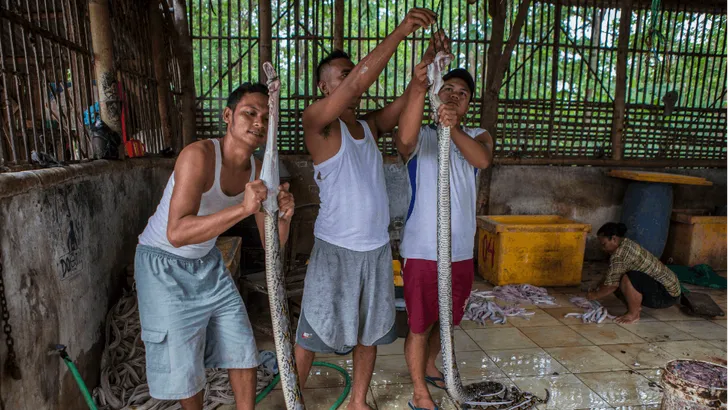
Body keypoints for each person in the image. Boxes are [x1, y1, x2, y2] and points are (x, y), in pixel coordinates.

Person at [294, 8, 437, 410]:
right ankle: (293, 399)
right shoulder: (317, 122)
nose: (353, 75)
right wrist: (401, 30)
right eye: (342, 74)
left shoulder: (368, 127)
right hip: (335, 249)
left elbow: (409, 98)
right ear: (324, 87)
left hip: (375, 249)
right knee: (311, 331)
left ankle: (357, 401)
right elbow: (361, 80)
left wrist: (422, 69)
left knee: (369, 333)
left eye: (351, 71)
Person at [134, 83, 295, 410]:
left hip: (206, 261)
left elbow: (272, 245)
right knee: (184, 366)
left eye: (266, 117)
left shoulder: (259, 172)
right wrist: (242, 209)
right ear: (228, 116)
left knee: (243, 350)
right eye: (250, 113)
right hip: (163, 264)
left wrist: (284, 217)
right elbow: (177, 232)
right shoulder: (199, 156)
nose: (259, 123)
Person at [396, 47, 494, 410]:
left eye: (463, 93)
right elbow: (402, 141)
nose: (454, 96)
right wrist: (430, 107)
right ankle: (419, 391)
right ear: (437, 91)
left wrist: (452, 129)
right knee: (419, 324)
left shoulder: (478, 135)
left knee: (448, 319)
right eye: (448, 88)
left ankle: (433, 364)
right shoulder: (420, 137)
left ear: (468, 104)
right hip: (423, 249)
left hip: (460, 251)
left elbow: (482, 158)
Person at [588, 222, 681, 324]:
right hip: (670, 290)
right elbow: (612, 275)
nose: (603, 248)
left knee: (628, 279)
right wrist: (599, 286)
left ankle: (634, 314)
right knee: (618, 277)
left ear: (614, 239)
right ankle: (636, 306)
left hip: (666, 295)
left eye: (604, 244)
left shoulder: (619, 255)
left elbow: (611, 286)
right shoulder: (626, 243)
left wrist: (594, 295)